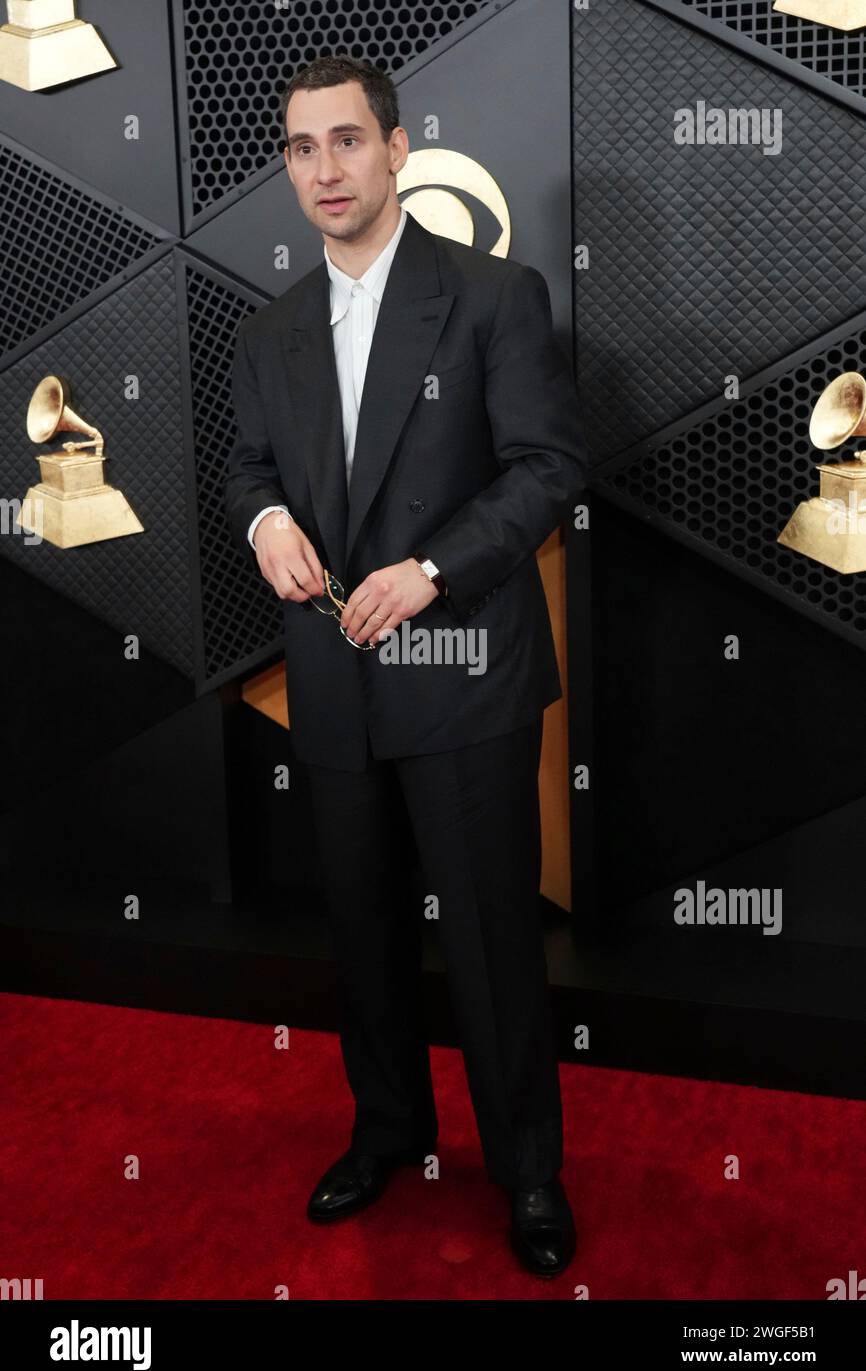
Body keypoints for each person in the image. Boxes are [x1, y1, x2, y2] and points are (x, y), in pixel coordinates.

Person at [223, 53, 587, 1278]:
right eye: (301, 148)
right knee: (363, 937)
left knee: (487, 943)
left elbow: (544, 466)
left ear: (396, 148)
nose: (323, 169)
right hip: (332, 684)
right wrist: (267, 523)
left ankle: (526, 1172)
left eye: (345, 142)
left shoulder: (492, 297)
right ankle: (386, 1130)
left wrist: (431, 571)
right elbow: (248, 469)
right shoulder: (267, 328)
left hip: (461, 670)